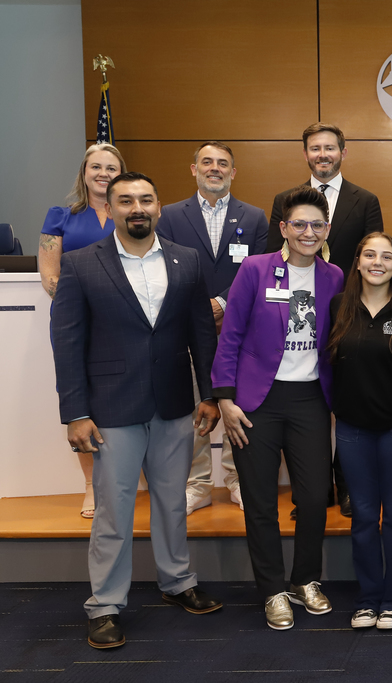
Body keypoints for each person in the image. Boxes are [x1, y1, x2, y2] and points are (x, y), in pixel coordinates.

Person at [51, 172, 223, 649]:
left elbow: (200, 335)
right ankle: (105, 606)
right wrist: (74, 412)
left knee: (173, 503)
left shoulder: (186, 261)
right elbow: (67, 343)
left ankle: (177, 582)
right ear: (111, 206)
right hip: (110, 409)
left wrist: (208, 394)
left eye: (146, 198)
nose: (137, 207)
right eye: (125, 200)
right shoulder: (83, 264)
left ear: (159, 206)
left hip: (172, 404)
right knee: (113, 511)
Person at [212, 187, 344, 630]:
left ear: (326, 231)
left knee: (311, 499)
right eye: (300, 224)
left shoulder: (335, 277)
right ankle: (272, 589)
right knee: (261, 501)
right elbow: (229, 336)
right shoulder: (254, 269)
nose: (309, 232)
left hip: (309, 399)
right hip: (256, 402)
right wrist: (225, 399)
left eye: (317, 225)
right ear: (284, 229)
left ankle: (306, 579)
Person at [267, 122, 380, 516]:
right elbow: (270, 260)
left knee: (345, 404)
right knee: (308, 408)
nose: (323, 155)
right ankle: (310, 492)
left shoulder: (365, 200)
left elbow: (375, 258)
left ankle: (346, 487)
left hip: (347, 315)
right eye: (315, 149)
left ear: (342, 153)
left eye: (330, 148)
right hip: (297, 316)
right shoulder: (285, 199)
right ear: (306, 154)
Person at [156, 141, 269, 515]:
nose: (215, 168)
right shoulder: (170, 215)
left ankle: (239, 480)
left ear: (233, 172)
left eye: (223, 163)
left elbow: (259, 270)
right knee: (195, 404)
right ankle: (197, 484)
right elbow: (166, 268)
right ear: (194, 169)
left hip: (240, 325)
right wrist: (200, 307)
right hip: (186, 325)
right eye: (207, 162)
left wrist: (221, 302)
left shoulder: (254, 217)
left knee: (239, 403)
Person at [327, 232, 392, 631]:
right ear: (358, 262)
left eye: (387, 256)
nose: (377, 262)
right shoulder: (337, 306)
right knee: (363, 516)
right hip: (351, 429)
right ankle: (368, 598)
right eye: (369, 254)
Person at [39, 143, 127, 518]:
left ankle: (125, 483)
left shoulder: (131, 211)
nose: (103, 173)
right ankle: (91, 486)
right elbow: (49, 274)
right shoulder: (61, 215)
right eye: (96, 167)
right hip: (75, 320)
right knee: (81, 401)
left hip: (125, 322)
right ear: (85, 171)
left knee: (126, 397)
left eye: (111, 167)